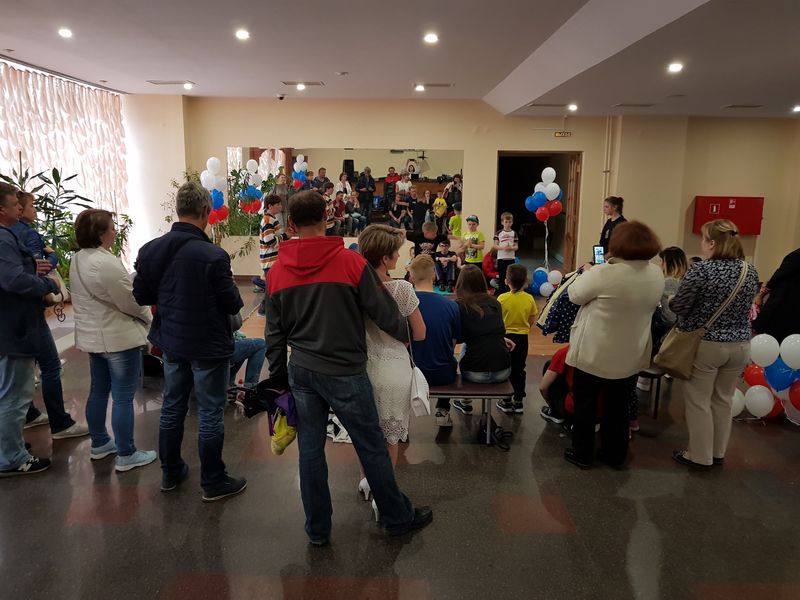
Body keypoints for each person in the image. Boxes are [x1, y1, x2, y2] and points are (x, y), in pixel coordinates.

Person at [264, 190, 432, 545]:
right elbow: (383, 312)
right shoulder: (351, 264)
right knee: (371, 445)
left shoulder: (277, 272)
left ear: (290, 224)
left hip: (302, 371)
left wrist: (279, 378)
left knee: (310, 452)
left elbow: (274, 334)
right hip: (345, 371)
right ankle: (397, 518)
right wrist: (404, 337)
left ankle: (317, 530)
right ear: (327, 219)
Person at [133, 182, 246, 501]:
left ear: (178, 210)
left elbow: (142, 295)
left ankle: (170, 472)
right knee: (210, 412)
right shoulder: (214, 255)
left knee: (172, 406)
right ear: (206, 211)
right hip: (208, 344)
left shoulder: (150, 249)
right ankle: (213, 481)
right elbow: (232, 304)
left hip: (172, 341)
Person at [564, 221, 664, 470]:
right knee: (619, 407)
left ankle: (582, 453)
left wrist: (589, 271)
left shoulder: (603, 273)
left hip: (595, 351)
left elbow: (575, 295)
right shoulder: (655, 273)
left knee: (586, 404)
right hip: (631, 352)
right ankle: (615, 454)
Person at [70, 209, 156, 470]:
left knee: (99, 390)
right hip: (117, 339)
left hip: (93, 338)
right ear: (99, 233)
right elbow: (130, 301)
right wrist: (150, 319)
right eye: (111, 227)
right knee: (122, 397)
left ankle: (100, 443)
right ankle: (127, 454)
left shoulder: (78, 258)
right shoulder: (105, 263)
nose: (115, 231)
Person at [670, 219, 758, 470]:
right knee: (723, 399)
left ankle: (699, 456)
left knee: (699, 401)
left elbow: (681, 306)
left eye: (703, 238)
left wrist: (672, 299)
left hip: (707, 344)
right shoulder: (749, 270)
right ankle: (718, 452)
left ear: (711, 243)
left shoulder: (702, 270)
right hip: (740, 343)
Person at [13, 191, 88, 439]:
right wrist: (53, 256)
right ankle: (60, 423)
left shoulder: (10, 234)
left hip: (14, 312)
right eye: (30, 205)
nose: (34, 209)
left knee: (23, 367)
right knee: (51, 366)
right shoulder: (28, 233)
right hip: (29, 310)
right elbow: (41, 267)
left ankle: (29, 414)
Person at [358, 225, 426, 489]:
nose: (399, 256)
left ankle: (366, 482)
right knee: (390, 440)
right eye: (396, 252)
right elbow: (419, 333)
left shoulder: (354, 289)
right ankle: (384, 494)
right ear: (385, 258)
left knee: (365, 435)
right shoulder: (402, 288)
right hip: (395, 372)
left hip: (361, 370)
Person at [0, 182, 60, 476]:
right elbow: (14, 280)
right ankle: (11, 457)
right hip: (14, 327)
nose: (20, 207)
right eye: (15, 204)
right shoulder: (3, 239)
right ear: (2, 209)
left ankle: (7, 446)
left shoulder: (9, 236)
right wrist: (46, 284)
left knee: (8, 390)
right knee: (15, 393)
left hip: (11, 324)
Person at [408, 254, 461, 427]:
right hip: (442, 374)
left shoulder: (405, 304)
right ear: (434, 276)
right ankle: (443, 410)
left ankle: (403, 418)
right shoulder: (451, 305)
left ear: (411, 278)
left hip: (411, 374)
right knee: (449, 359)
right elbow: (452, 344)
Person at [451, 265, 512, 414]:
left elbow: (457, 339)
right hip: (503, 371)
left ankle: (465, 402)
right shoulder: (495, 303)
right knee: (480, 344)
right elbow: (494, 328)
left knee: (466, 346)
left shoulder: (460, 306)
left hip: (475, 374)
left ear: (461, 284)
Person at [497, 264, 538, 414]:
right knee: (519, 368)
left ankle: (506, 400)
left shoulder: (502, 298)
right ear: (525, 281)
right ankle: (518, 400)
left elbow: (497, 319)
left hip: (505, 338)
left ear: (507, 281)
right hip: (522, 338)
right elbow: (532, 318)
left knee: (505, 367)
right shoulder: (529, 299)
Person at [753, 246, 800, 343]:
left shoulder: (796, 255)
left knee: (775, 337)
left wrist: (766, 288)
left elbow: (780, 274)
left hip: (785, 302)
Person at [256, 194, 285, 317]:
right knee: (271, 287)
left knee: (273, 286)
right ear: (270, 206)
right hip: (270, 260)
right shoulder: (268, 220)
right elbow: (270, 241)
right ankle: (263, 310)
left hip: (273, 259)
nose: (280, 206)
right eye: (278, 204)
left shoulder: (272, 218)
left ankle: (268, 309)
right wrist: (285, 237)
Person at [539, 345, 573, 426]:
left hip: (573, 409)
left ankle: (555, 412)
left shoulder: (565, 352)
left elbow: (542, 388)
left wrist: (551, 405)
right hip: (599, 411)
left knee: (549, 365)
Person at [493, 212, 519, 294]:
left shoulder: (514, 233)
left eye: (510, 222)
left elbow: (516, 247)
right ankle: (501, 292)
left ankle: (510, 292)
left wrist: (511, 248)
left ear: (512, 222)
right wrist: (503, 248)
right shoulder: (498, 233)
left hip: (511, 258)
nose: (508, 224)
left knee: (510, 276)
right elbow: (495, 246)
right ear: (502, 222)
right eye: (506, 222)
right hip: (501, 258)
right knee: (502, 276)